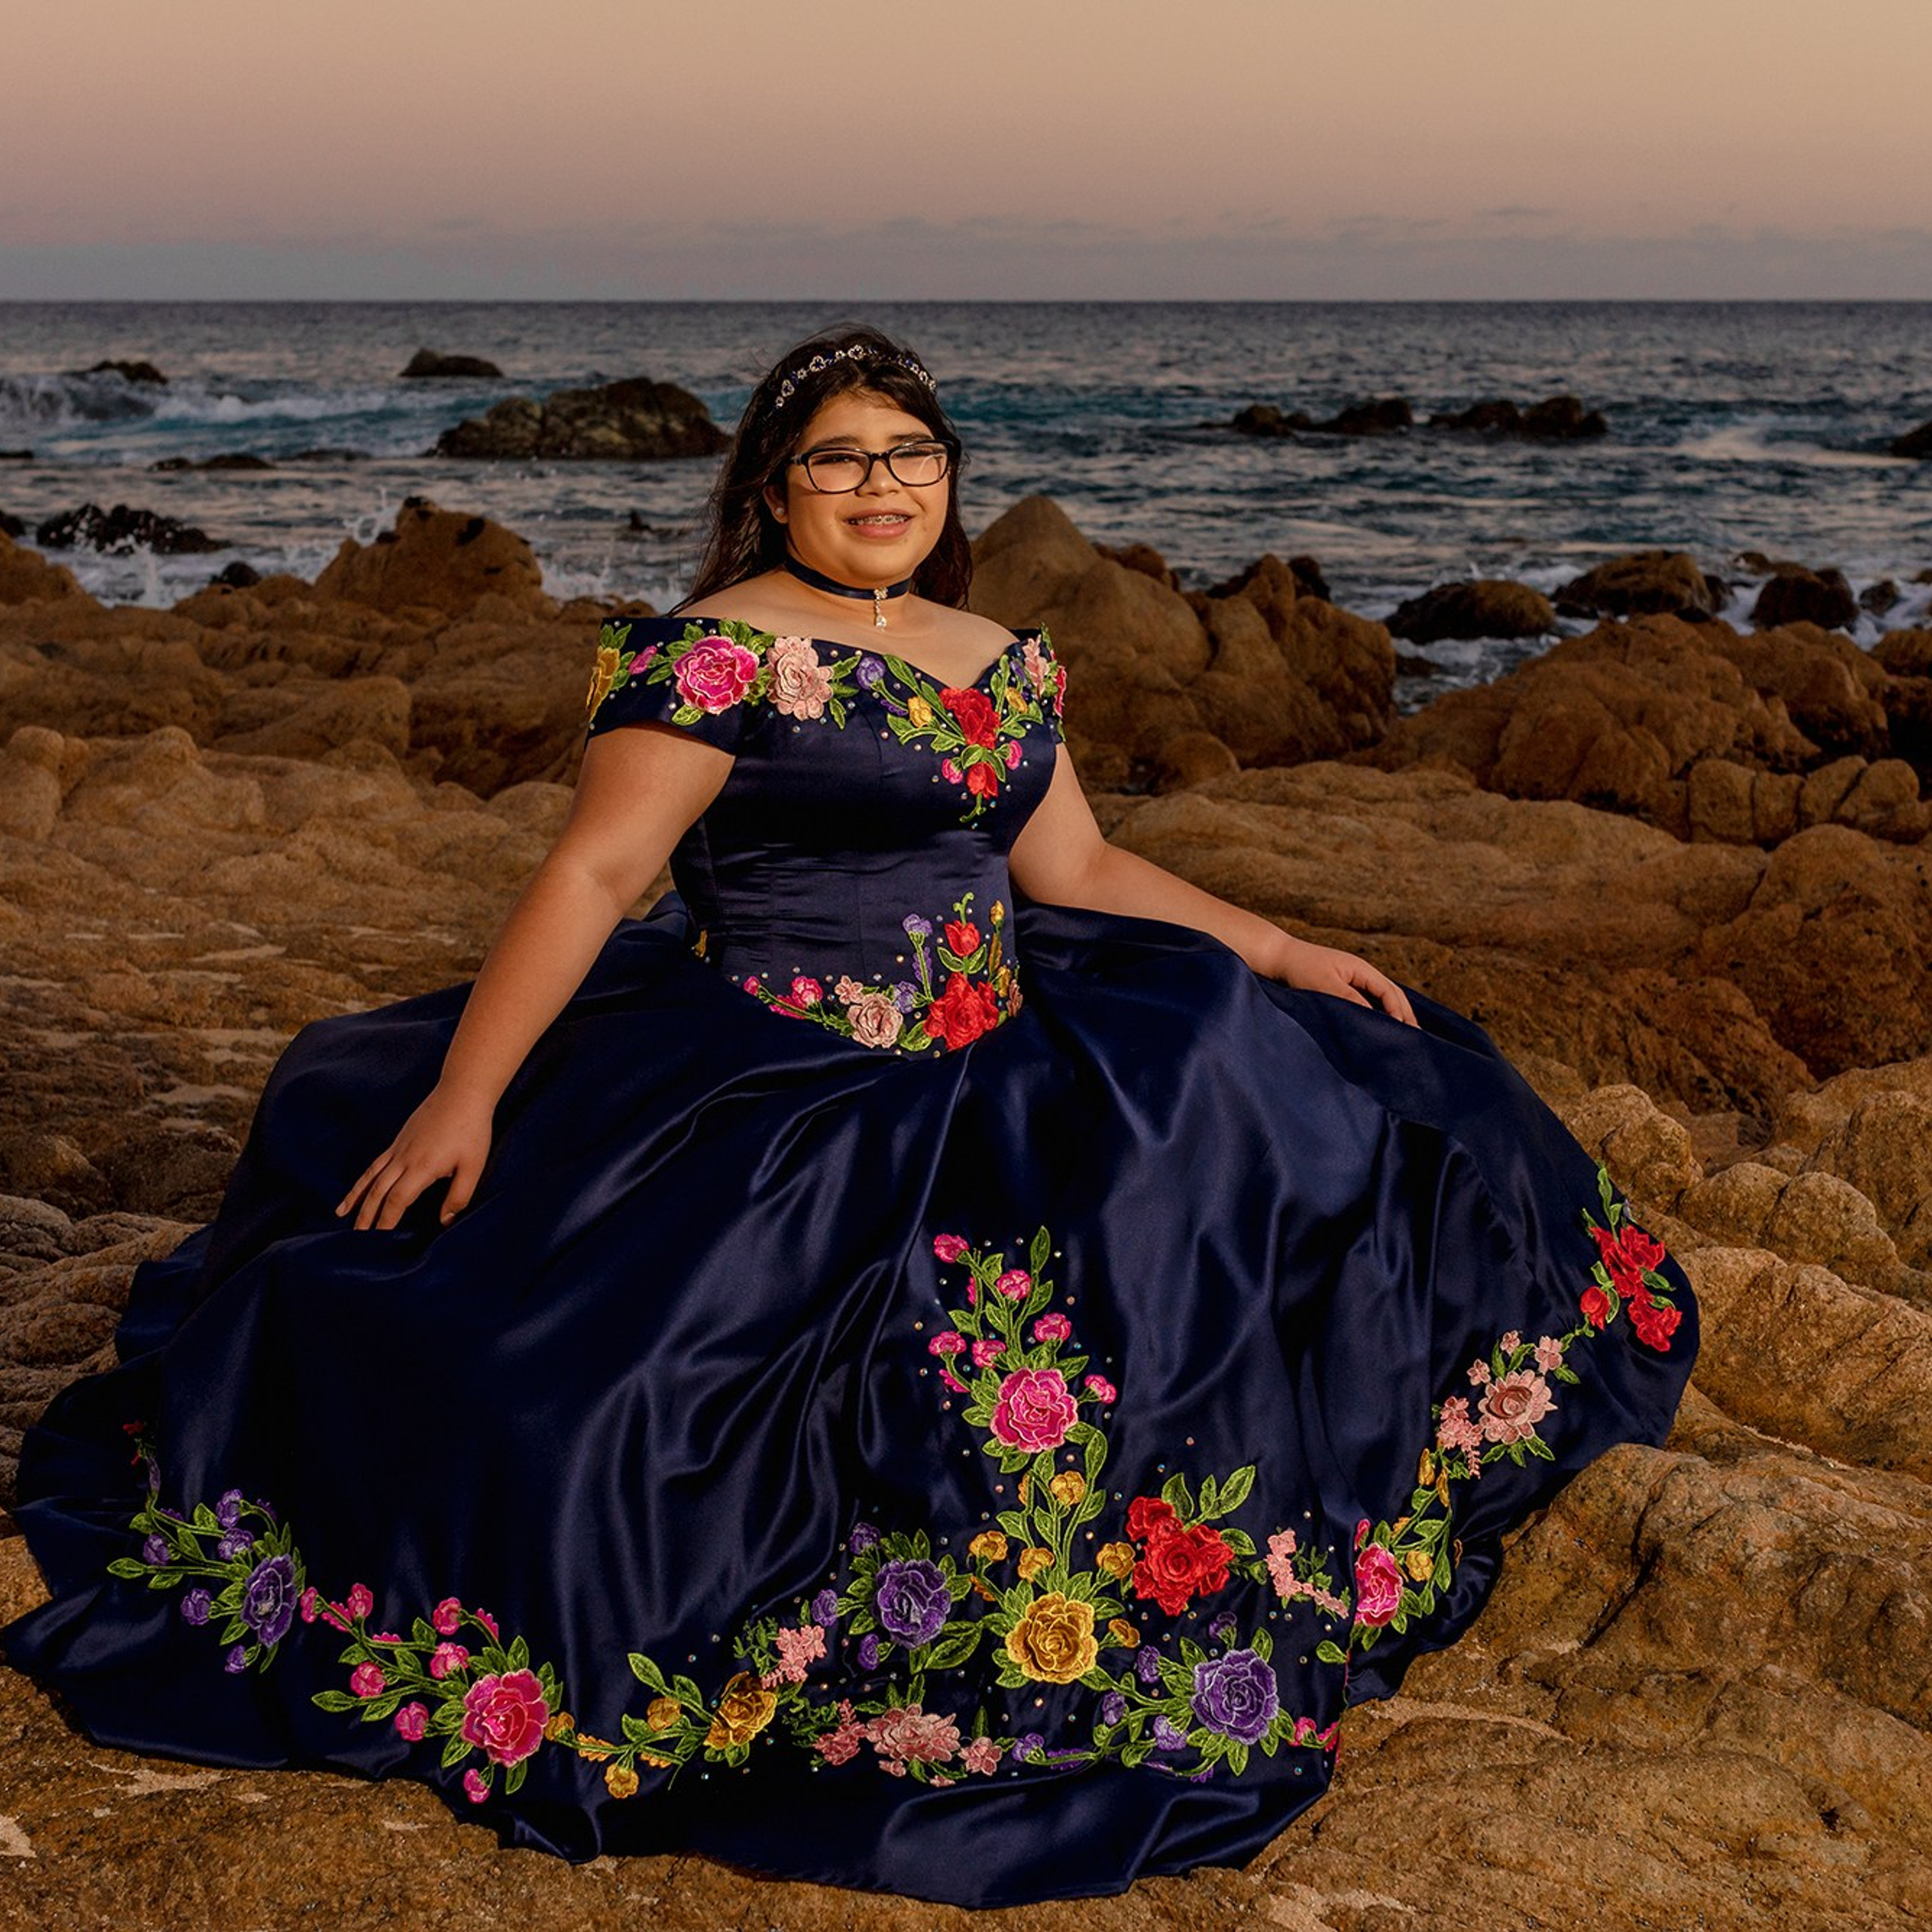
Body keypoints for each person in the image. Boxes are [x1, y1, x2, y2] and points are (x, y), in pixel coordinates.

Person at [0, 325, 1697, 1909]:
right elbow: (597, 873)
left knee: (1331, 1120)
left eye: (913, 453)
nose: (883, 485)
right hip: (771, 1068)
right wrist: (464, 1095)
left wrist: (1271, 941)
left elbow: (1076, 869)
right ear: (772, 486)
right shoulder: (715, 655)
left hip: (1005, 1038)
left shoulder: (997, 658)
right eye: (840, 459)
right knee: (585, 1403)